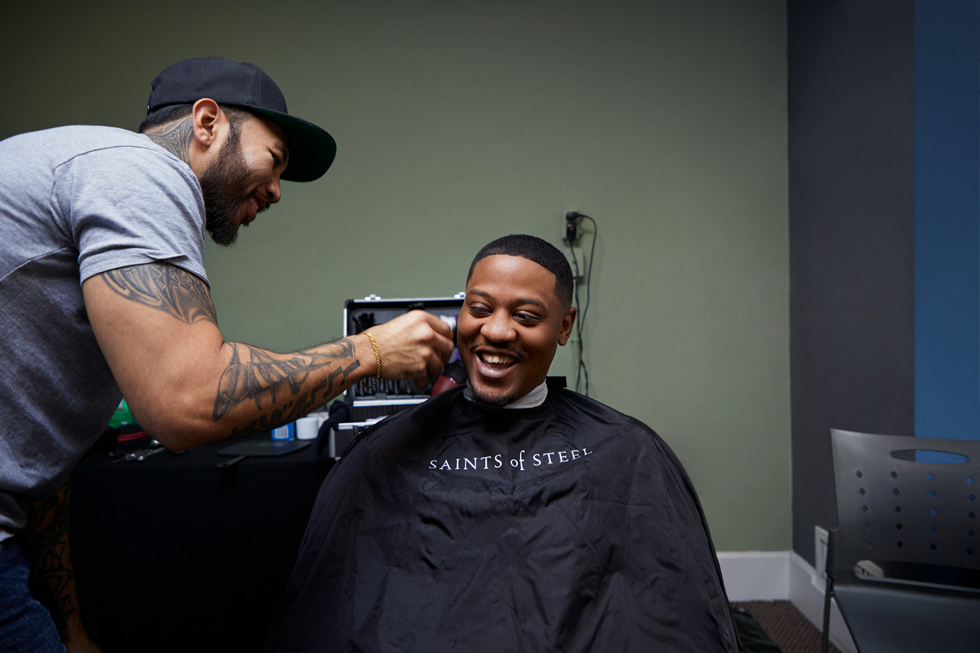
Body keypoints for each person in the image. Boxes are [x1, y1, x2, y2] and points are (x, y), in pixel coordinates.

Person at [0, 57, 454, 652]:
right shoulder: (137, 171)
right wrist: (371, 349)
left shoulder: (83, 171)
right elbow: (187, 401)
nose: (276, 191)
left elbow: (38, 458)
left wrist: (70, 625)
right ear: (208, 123)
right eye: (276, 160)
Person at [263, 235, 740, 652]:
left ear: (565, 326)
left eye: (526, 315)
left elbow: (667, 615)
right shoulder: (386, 449)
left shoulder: (628, 450)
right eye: (480, 309)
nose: (496, 330)